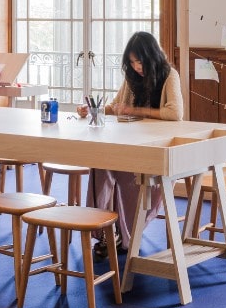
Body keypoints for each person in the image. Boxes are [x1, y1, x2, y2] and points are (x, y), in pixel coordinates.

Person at [78, 31, 183, 261]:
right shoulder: (131, 78)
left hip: (156, 153)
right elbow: (117, 106)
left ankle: (120, 233)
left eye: (140, 61)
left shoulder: (168, 75)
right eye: (133, 62)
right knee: (99, 165)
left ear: (152, 56)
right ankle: (104, 229)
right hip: (128, 146)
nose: (136, 67)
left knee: (128, 179)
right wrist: (92, 110)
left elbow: (175, 113)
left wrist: (136, 111)